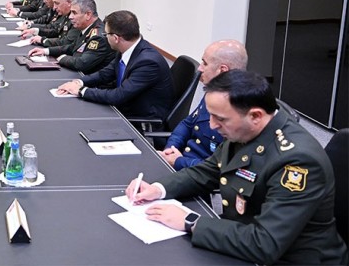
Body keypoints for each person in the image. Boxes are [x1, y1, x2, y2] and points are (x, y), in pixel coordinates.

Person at [127, 70, 348, 265]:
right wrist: (158, 188)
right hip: (244, 240)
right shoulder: (245, 129)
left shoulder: (297, 161)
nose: (212, 125)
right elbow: (208, 171)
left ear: (255, 116)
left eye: (220, 119)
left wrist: (190, 221)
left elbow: (265, 243)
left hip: (287, 258)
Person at [57, 10, 174, 121]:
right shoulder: (126, 49)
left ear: (116, 38)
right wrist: (79, 82)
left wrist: (81, 91)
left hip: (139, 120)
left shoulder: (148, 62)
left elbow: (118, 95)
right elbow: (105, 74)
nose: (105, 37)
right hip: (123, 108)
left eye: (106, 34)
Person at [160, 39, 247, 170]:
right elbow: (188, 123)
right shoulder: (215, 91)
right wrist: (171, 148)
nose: (200, 68)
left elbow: (220, 168)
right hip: (181, 163)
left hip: (198, 174)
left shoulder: (237, 110)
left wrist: (179, 161)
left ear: (222, 70)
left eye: (205, 63)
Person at [29, 0, 114, 75]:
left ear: (88, 15)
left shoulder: (98, 36)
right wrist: (46, 51)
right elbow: (72, 47)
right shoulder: (87, 28)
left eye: (74, 13)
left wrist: (63, 58)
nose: (70, 17)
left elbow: (81, 63)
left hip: (90, 81)